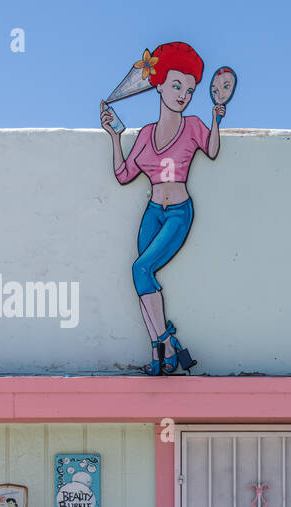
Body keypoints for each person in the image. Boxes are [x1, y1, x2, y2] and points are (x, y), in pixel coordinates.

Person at [100, 42, 224, 375]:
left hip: (178, 212)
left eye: (189, 89)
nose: (183, 94)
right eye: (176, 85)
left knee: (140, 270)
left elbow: (212, 151)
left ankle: (164, 346)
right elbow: (124, 174)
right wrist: (114, 137)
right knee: (145, 277)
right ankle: (164, 354)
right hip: (152, 211)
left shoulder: (195, 125)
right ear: (159, 85)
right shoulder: (145, 135)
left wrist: (215, 118)